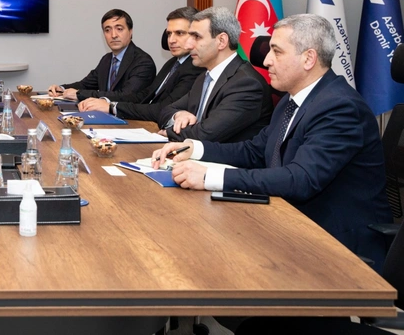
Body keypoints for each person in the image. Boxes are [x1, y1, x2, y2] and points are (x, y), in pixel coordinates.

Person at [152, 14, 391, 269]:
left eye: (276, 52)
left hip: (338, 245)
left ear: (308, 58)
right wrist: (195, 148)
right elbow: (255, 151)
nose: (266, 61)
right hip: (290, 222)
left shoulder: (340, 107)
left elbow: (301, 179)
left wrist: (209, 177)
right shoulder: (292, 99)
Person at [158, 6, 272, 143]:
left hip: (225, 156)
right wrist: (179, 115)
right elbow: (166, 110)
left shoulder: (246, 84)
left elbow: (205, 134)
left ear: (221, 41)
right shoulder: (205, 76)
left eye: (196, 37)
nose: (188, 45)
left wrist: (169, 132)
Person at [78, 6, 204, 121]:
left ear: (197, 35)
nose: (171, 40)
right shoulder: (172, 63)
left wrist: (112, 107)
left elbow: (164, 108)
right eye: (169, 34)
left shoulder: (195, 68)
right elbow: (143, 95)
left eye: (179, 33)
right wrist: (106, 103)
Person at [48, 9, 156, 101]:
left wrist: (79, 94)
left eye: (119, 29)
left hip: (129, 118)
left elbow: (126, 96)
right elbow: (85, 85)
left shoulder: (143, 62)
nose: (113, 35)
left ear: (130, 31)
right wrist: (61, 89)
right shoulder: (107, 59)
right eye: (107, 30)